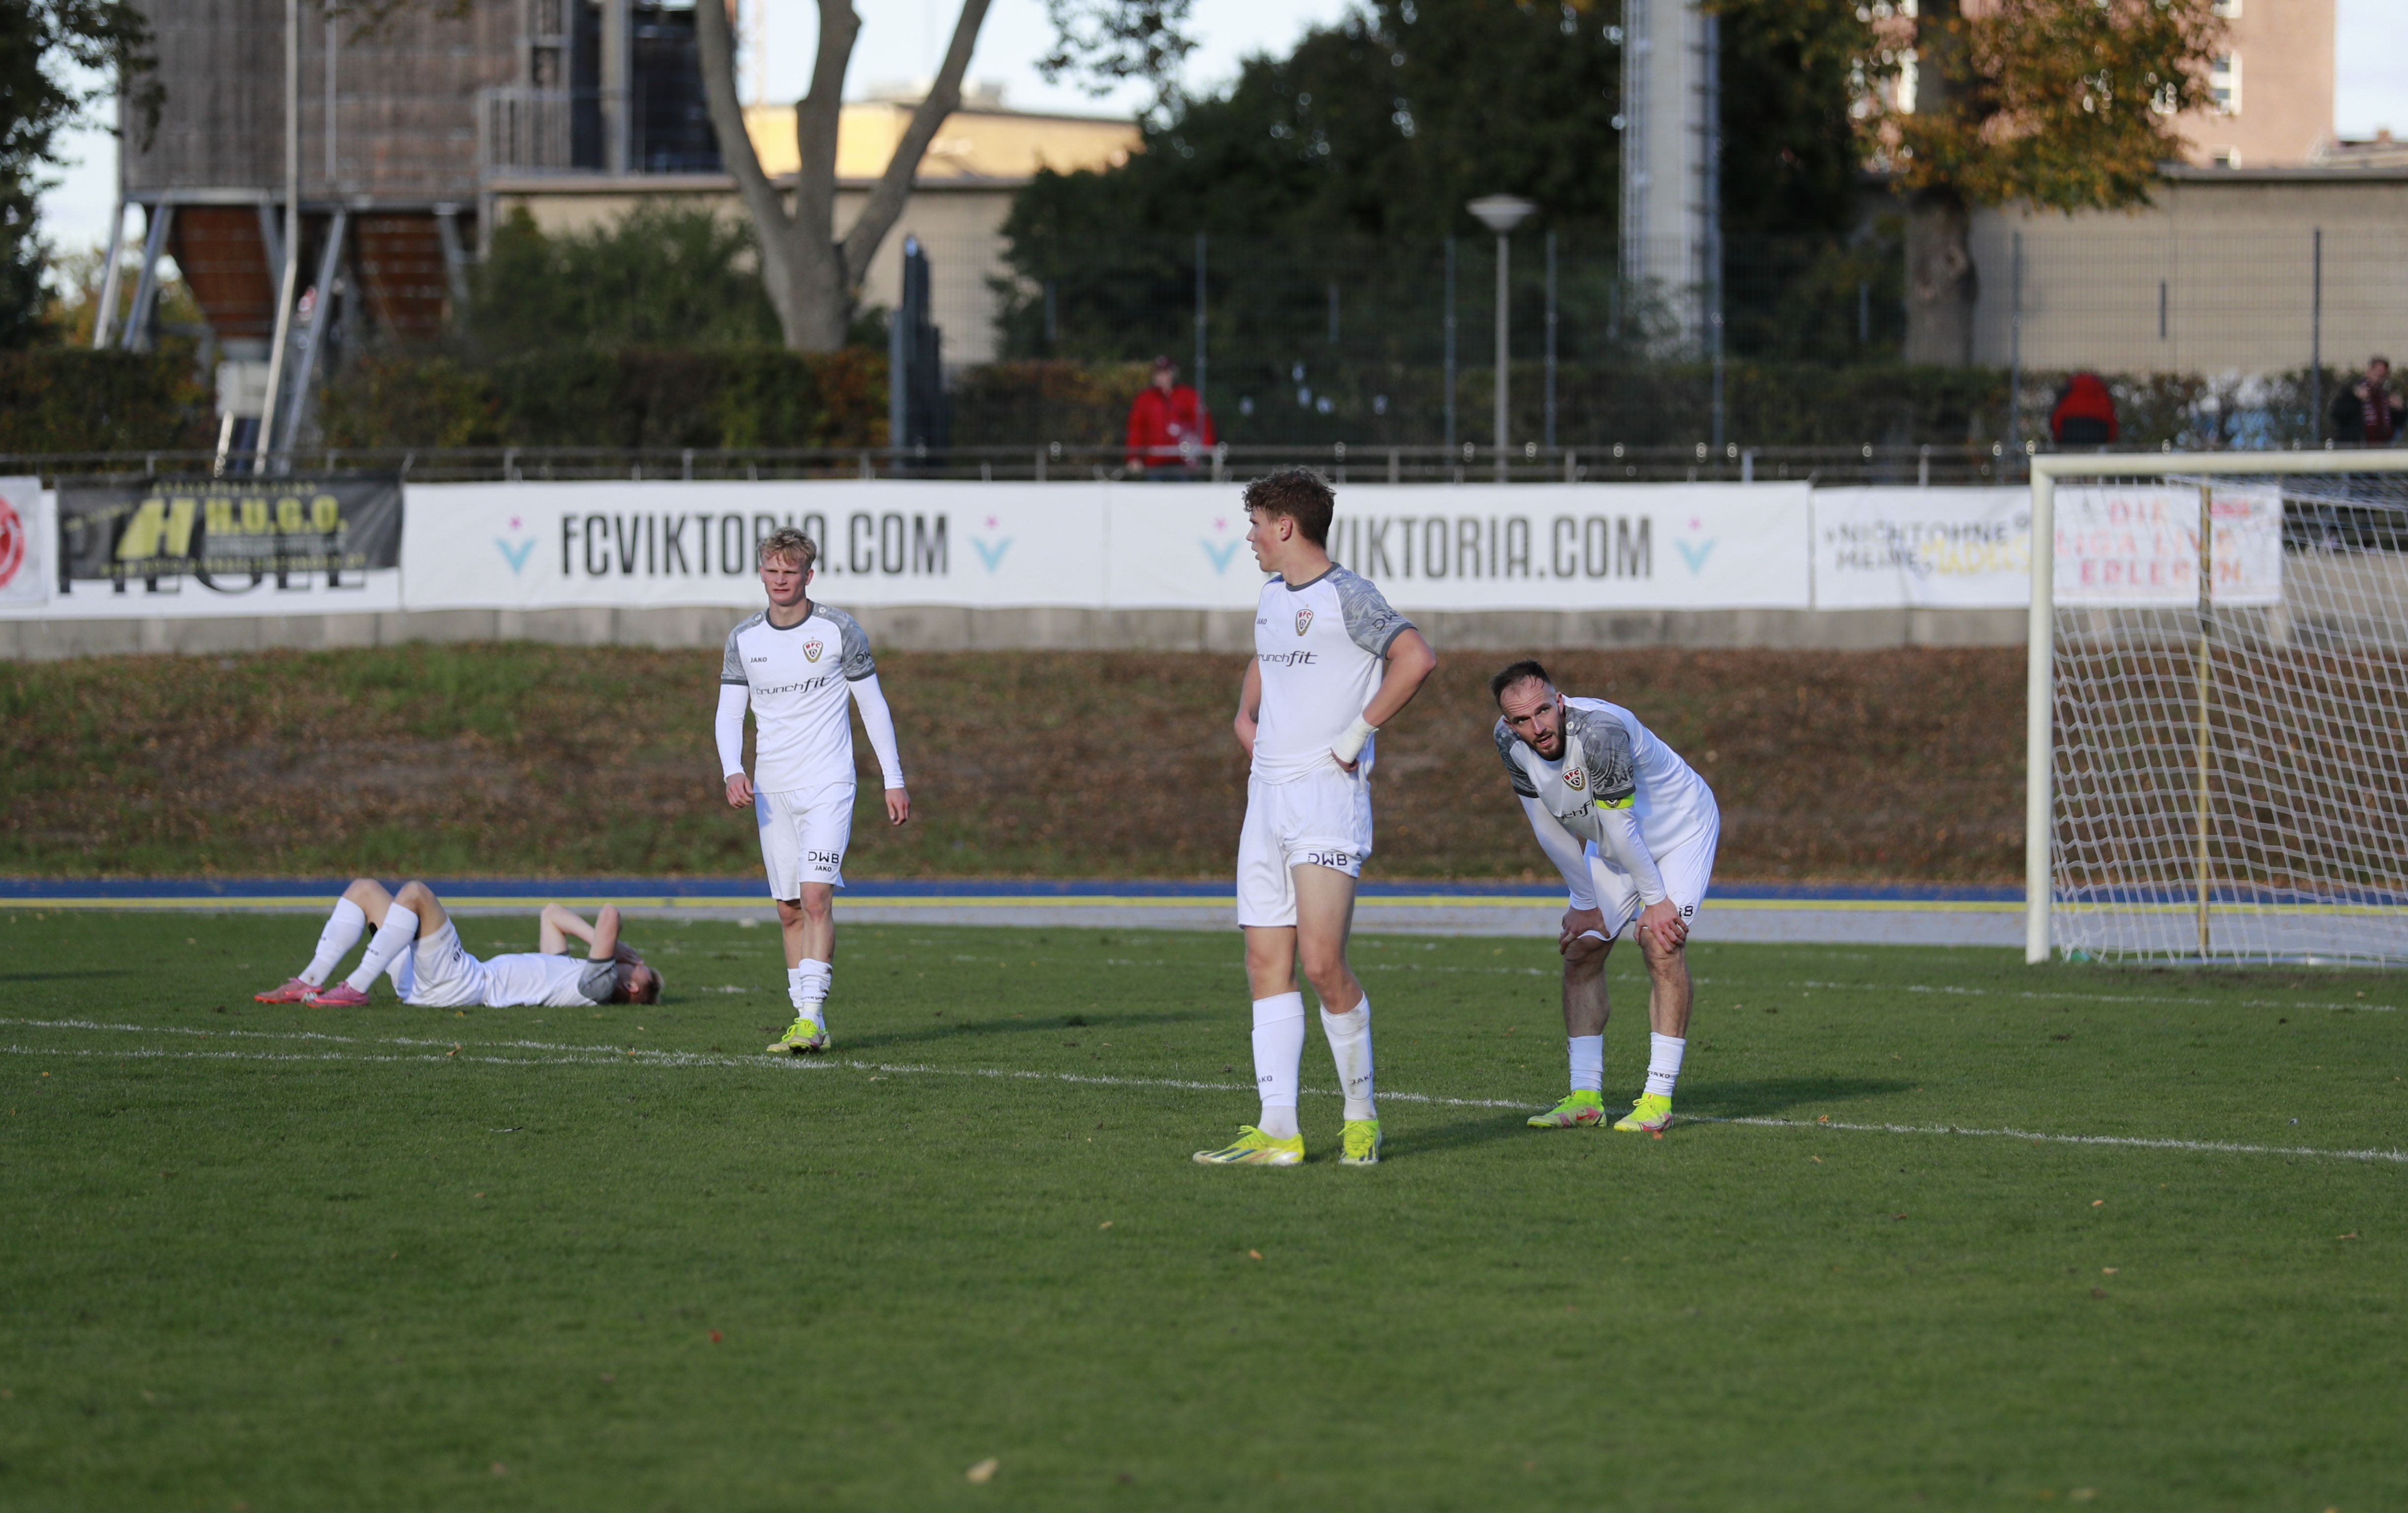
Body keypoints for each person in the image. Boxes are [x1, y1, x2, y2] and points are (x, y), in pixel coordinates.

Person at [1194, 469, 1438, 1168]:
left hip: (1326, 801)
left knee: (1322, 962)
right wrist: (1249, 722)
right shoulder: (1273, 597)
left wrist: (1357, 736)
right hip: (1265, 798)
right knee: (1264, 960)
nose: (1249, 538)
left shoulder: (1349, 596)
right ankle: (1279, 1130)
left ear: (1286, 527)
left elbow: (1416, 658)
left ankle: (1361, 1116)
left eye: (1257, 524)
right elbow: (1267, 666)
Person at [1489, 660, 1720, 1134]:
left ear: (1559, 700)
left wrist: (1655, 901)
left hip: (1680, 831)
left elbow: (1621, 824)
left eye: (1543, 712)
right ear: (1509, 723)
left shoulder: (1600, 733)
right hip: (1617, 840)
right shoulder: (1509, 742)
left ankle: (1658, 1098)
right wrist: (1583, 900)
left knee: (1661, 942)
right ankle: (1586, 1097)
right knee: (1583, 946)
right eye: (1521, 720)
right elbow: (1546, 824)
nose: (1537, 727)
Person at [717, 526, 909, 1055]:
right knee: (787, 909)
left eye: (791, 571)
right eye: (772, 570)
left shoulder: (837, 629)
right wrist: (732, 768)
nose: (781, 580)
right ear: (762, 571)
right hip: (772, 789)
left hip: (828, 782)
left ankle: (806, 1018)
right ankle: (812, 1021)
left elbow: (873, 707)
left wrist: (893, 779)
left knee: (815, 895)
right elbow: (730, 711)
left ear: (809, 574)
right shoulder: (744, 639)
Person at [253, 882, 660, 1008]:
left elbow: (609, 913)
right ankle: (308, 980)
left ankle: (355, 988)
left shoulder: (598, 985)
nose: (639, 960)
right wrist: (601, 947)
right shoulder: (570, 974)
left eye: (642, 967)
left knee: (415, 893)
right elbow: (551, 913)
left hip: (462, 983)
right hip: (433, 982)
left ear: (632, 986)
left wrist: (614, 949)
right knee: (364, 890)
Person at [1124, 356, 1216, 478]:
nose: (1162, 377)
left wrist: (1204, 450)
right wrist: (1134, 457)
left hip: (1184, 463)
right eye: (1158, 373)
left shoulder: (1188, 396)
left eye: (1165, 372)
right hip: (1154, 463)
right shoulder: (1145, 400)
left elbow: (1203, 425)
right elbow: (1136, 430)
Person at [2329, 357, 2403, 445]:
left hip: (2383, 444)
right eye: (2377, 371)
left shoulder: (2386, 393)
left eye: (2383, 373)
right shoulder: (2353, 390)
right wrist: (2354, 398)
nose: (2379, 376)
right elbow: (2337, 413)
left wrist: (2399, 409)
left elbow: (2398, 422)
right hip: (2359, 444)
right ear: (2369, 371)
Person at [2050, 371, 2118, 447]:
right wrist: (2111, 439)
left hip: (2070, 434)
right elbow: (2111, 420)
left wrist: (2057, 437)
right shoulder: (2101, 393)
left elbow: (2057, 418)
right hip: (2098, 434)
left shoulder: (2069, 393)